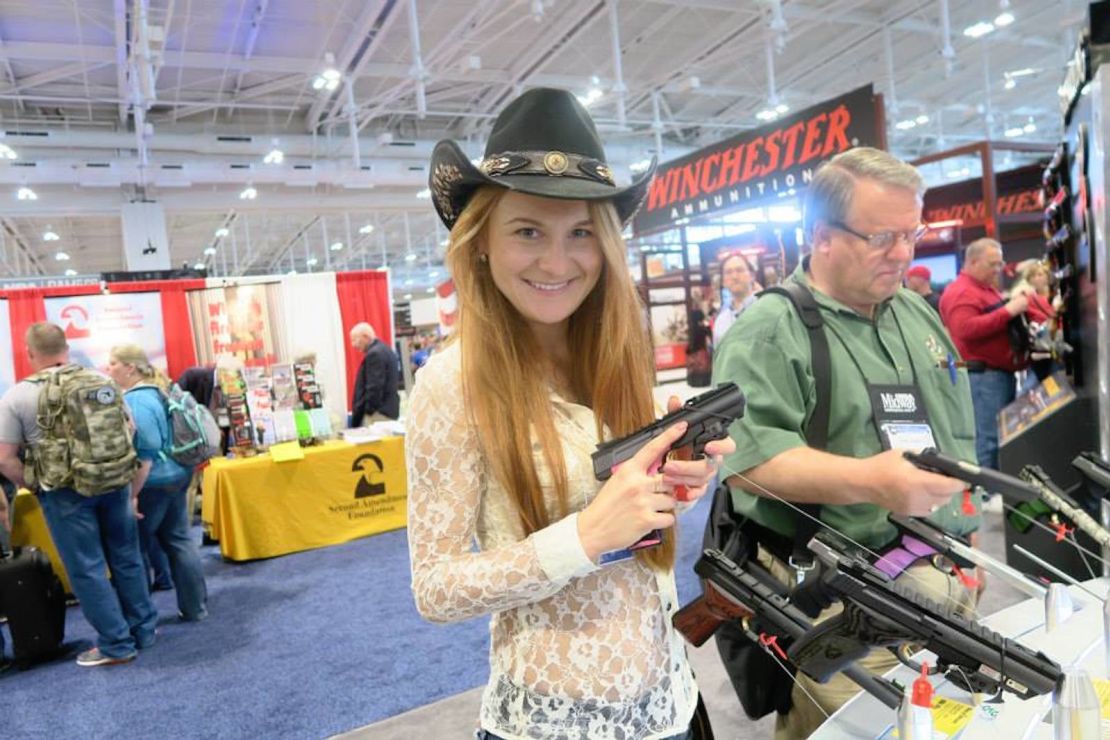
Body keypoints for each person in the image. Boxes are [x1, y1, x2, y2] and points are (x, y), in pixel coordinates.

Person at [408, 87, 732, 739]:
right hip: (553, 722)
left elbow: (634, 522)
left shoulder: (617, 353)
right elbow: (436, 588)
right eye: (528, 231)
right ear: (479, 243)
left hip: (670, 699)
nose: (558, 262)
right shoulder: (452, 381)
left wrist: (675, 486)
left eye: (581, 233)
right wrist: (584, 538)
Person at [712, 147, 980, 739]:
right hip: (839, 603)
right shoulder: (768, 332)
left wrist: (965, 540)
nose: (904, 254)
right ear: (820, 235)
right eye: (882, 237)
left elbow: (951, 432)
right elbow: (747, 462)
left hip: (941, 577)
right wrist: (872, 481)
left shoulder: (914, 312)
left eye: (912, 233)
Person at [0, 323, 157, 667]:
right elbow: (130, 430)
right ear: (66, 348)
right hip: (114, 482)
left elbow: (5, 457)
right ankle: (143, 631)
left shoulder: (17, 396)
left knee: (87, 569)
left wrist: (34, 485)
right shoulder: (102, 382)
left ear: (29, 354)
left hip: (64, 492)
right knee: (127, 558)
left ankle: (116, 644)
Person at [107, 345, 209, 622]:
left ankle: (141, 620)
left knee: (132, 551)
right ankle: (194, 607)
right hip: (177, 473)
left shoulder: (137, 401)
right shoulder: (159, 391)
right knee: (179, 541)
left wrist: (131, 495)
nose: (108, 368)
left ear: (130, 368)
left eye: (114, 363)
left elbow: (146, 454)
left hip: (152, 482)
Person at [939, 238, 1029, 470]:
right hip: (983, 377)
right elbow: (965, 329)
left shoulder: (983, 289)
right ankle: (984, 496)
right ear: (973, 262)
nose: (998, 270)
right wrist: (1008, 311)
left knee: (996, 437)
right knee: (987, 439)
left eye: (1000, 264)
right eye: (993, 264)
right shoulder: (962, 292)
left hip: (996, 375)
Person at [348, 322, 400, 426]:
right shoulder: (386, 350)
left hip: (377, 415)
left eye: (354, 340)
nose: (353, 345)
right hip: (388, 411)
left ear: (365, 337)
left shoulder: (374, 354)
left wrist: (368, 411)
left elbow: (374, 387)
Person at [712, 252, 759, 345]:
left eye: (740, 270)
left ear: (752, 276)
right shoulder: (721, 322)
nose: (734, 276)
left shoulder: (765, 309)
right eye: (728, 272)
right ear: (723, 281)